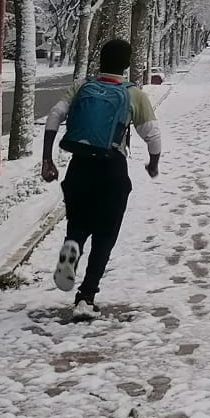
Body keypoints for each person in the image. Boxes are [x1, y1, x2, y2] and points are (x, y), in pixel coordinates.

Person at [42, 37, 163, 320]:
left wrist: (47, 159)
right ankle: (86, 297)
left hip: (79, 167)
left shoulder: (83, 87)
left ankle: (73, 244)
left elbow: (53, 116)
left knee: (79, 222)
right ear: (128, 64)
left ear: (100, 60)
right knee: (105, 234)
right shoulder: (133, 94)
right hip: (112, 169)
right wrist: (153, 164)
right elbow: (153, 136)